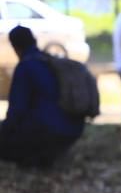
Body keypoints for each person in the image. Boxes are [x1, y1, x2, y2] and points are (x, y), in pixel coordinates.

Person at [0, 26, 85, 167]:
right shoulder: (50, 61)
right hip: (73, 129)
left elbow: (16, 110)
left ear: (15, 47)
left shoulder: (25, 67)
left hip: (46, 131)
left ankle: (32, 160)